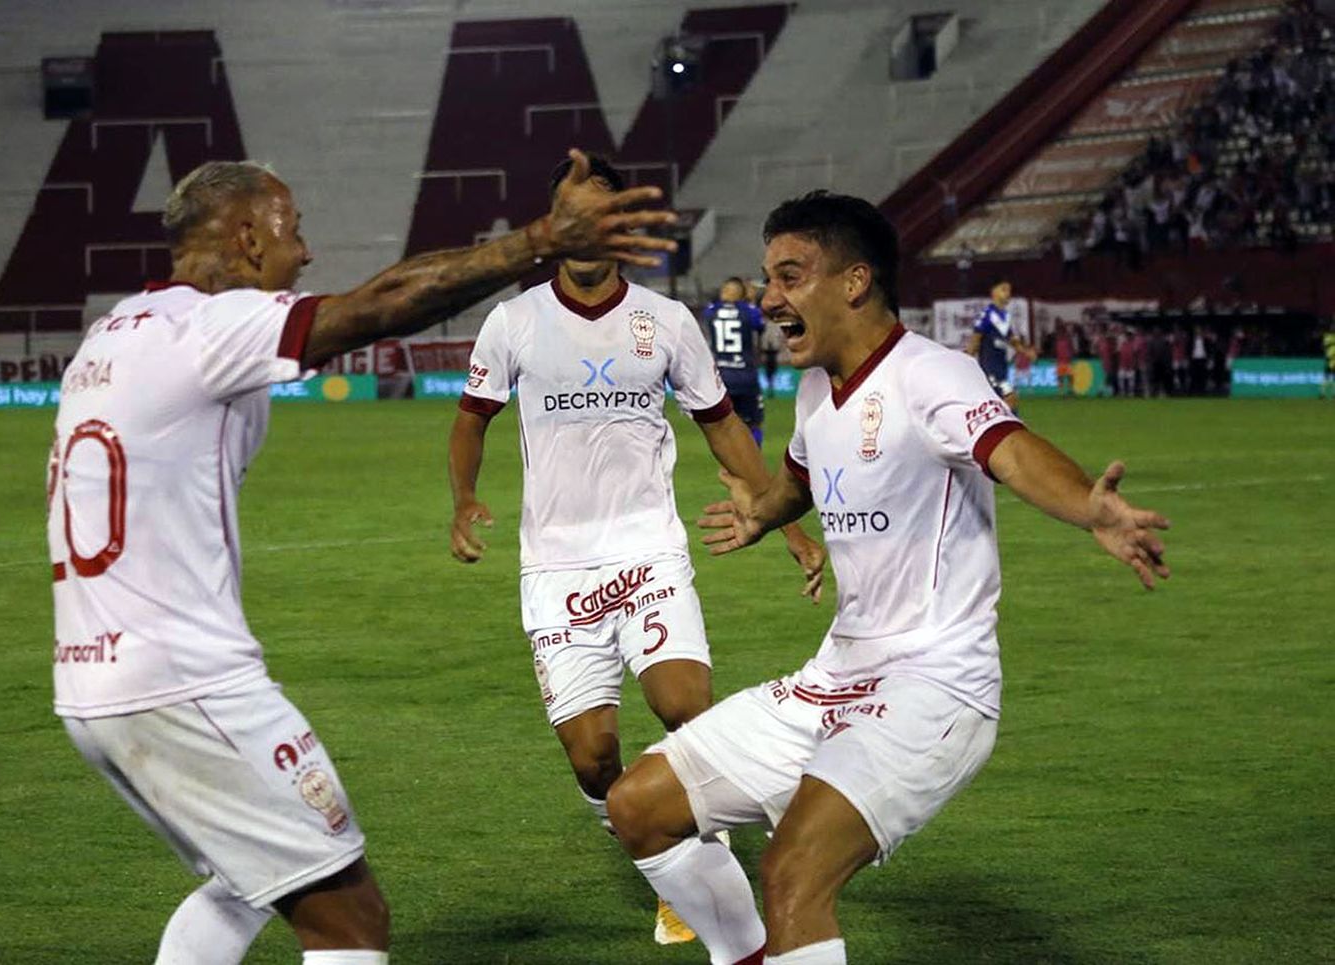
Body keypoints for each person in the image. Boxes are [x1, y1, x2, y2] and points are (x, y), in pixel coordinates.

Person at [47, 151, 680, 965]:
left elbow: (381, 286)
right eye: (292, 232)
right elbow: (377, 307)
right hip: (186, 678)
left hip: (92, 682)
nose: (302, 254)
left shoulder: (114, 335)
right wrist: (540, 240)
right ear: (245, 237)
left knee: (247, 881)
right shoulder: (205, 328)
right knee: (350, 918)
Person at [604, 191, 1171, 965]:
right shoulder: (813, 393)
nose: (770, 298)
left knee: (794, 872)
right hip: (835, 677)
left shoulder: (931, 374)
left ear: (854, 281)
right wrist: (763, 516)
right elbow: (799, 479)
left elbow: (1007, 448)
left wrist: (1089, 508)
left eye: (790, 276)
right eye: (767, 278)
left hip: (934, 687)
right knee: (638, 806)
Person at [448, 154, 827, 949]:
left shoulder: (668, 321)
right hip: (555, 567)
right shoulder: (514, 322)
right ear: (554, 226)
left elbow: (722, 423)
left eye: (598, 213)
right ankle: (666, 854)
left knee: (685, 706)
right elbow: (472, 417)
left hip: (649, 553)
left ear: (621, 228)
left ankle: (700, 872)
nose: (583, 230)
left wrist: (784, 520)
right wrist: (464, 500)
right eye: (569, 213)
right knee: (594, 758)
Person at [704, 277, 768, 445]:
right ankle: (752, 464)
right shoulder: (749, 311)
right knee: (753, 423)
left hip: (721, 377)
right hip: (746, 375)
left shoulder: (711, 311)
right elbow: (760, 326)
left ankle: (728, 468)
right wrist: (751, 301)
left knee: (724, 425)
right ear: (742, 295)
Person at [963, 279, 1029, 412]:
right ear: (993, 292)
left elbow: (1011, 339)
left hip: (1001, 369)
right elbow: (976, 338)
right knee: (1010, 398)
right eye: (1004, 289)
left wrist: (1025, 352)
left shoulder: (1005, 316)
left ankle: (1005, 428)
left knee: (1002, 403)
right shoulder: (987, 314)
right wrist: (966, 360)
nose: (1008, 293)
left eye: (1009, 290)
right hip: (990, 368)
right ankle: (1011, 428)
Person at [1053, 322, 1074, 397]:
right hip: (1061, 361)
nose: (1060, 332)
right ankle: (1061, 392)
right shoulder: (1057, 341)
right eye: (1059, 331)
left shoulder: (1067, 340)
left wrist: (1070, 356)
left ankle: (1070, 390)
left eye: (1061, 330)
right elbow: (1056, 351)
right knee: (1061, 377)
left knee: (1069, 376)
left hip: (1066, 361)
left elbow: (1071, 349)